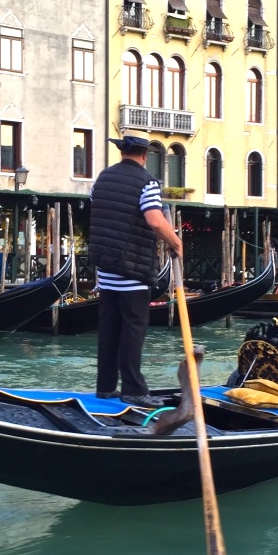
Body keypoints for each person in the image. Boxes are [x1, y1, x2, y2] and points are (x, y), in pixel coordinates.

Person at [88, 130, 182, 408]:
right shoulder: (147, 182)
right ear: (145, 155)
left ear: (122, 152)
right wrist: (175, 242)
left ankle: (105, 387)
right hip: (133, 267)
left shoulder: (103, 178)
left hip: (105, 266)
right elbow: (154, 220)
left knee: (109, 328)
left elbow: (103, 211)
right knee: (133, 328)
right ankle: (133, 389)